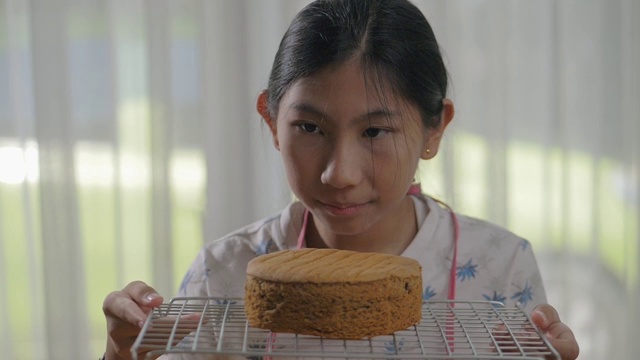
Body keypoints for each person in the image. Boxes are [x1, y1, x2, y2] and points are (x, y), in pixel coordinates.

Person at [102, 0, 580, 359]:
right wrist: (119, 354)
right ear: (271, 121)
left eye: (375, 131)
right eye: (309, 128)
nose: (339, 173)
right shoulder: (225, 272)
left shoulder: (501, 267)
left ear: (434, 129)